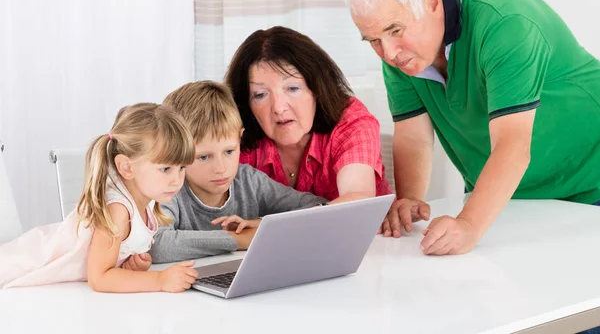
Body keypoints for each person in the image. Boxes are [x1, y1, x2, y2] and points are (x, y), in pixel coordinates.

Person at [345, 0, 600, 255]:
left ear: (432, 3)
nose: (387, 52)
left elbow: (513, 147)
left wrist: (468, 224)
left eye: (394, 31)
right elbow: (413, 137)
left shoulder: (506, 25)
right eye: (372, 40)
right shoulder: (400, 54)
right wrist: (410, 198)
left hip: (589, 181)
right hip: (508, 199)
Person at [0, 103, 200, 292]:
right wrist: (160, 280)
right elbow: (99, 278)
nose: (177, 180)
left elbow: (104, 265)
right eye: (166, 169)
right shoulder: (118, 210)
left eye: (181, 167)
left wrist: (127, 266)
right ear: (127, 167)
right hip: (27, 262)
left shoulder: (147, 199)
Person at [147, 81, 328, 263]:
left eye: (229, 152)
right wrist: (240, 240)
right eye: (203, 157)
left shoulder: (249, 181)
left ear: (239, 138)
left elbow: (317, 206)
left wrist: (260, 224)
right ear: (175, 150)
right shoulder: (169, 190)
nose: (221, 168)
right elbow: (156, 244)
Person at [224, 26, 392, 206]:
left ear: (317, 89)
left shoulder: (351, 120)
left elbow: (357, 202)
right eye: (259, 94)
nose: (279, 108)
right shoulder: (235, 136)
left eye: (293, 88)